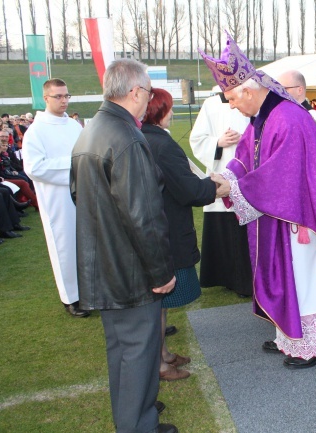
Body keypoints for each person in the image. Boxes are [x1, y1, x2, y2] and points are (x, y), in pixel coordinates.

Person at [201, 33, 316, 369]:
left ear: (249, 90)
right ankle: (291, 335)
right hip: (279, 216)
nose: (231, 106)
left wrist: (233, 190)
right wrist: (226, 177)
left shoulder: (288, 118)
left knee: (307, 280)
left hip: (301, 219)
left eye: (231, 99)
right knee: (292, 278)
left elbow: (282, 177)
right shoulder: (262, 118)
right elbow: (245, 157)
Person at [70, 59, 178, 433]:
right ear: (134, 92)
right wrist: (162, 272)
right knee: (137, 353)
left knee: (122, 351)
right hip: (129, 268)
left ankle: (135, 417)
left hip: (104, 262)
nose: (148, 100)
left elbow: (78, 195)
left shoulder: (90, 130)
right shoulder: (128, 138)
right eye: (147, 92)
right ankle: (137, 426)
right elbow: (144, 215)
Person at [142, 88, 218, 381]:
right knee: (157, 303)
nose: (172, 114)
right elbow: (187, 188)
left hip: (159, 229)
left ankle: (163, 355)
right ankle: (159, 364)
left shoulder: (147, 138)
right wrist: (214, 188)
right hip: (167, 231)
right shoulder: (161, 144)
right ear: (159, 111)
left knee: (158, 304)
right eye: (169, 108)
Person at [22, 78, 89, 318]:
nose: (63, 101)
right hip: (57, 197)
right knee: (64, 246)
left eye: (66, 96)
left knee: (86, 243)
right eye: (58, 97)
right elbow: (34, 167)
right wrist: (73, 166)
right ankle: (70, 297)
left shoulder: (73, 126)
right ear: (45, 98)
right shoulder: (35, 131)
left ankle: (90, 291)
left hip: (83, 192)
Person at [189, 89, 253, 298]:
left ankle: (248, 277)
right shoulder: (210, 104)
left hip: (247, 174)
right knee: (224, 228)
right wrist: (218, 142)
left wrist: (246, 139)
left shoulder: (251, 100)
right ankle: (225, 277)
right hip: (221, 167)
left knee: (246, 226)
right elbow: (197, 139)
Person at [277, 70, 316, 153]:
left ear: (300, 90)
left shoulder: (314, 117)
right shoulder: (285, 116)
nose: (279, 93)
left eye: (284, 89)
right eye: (277, 89)